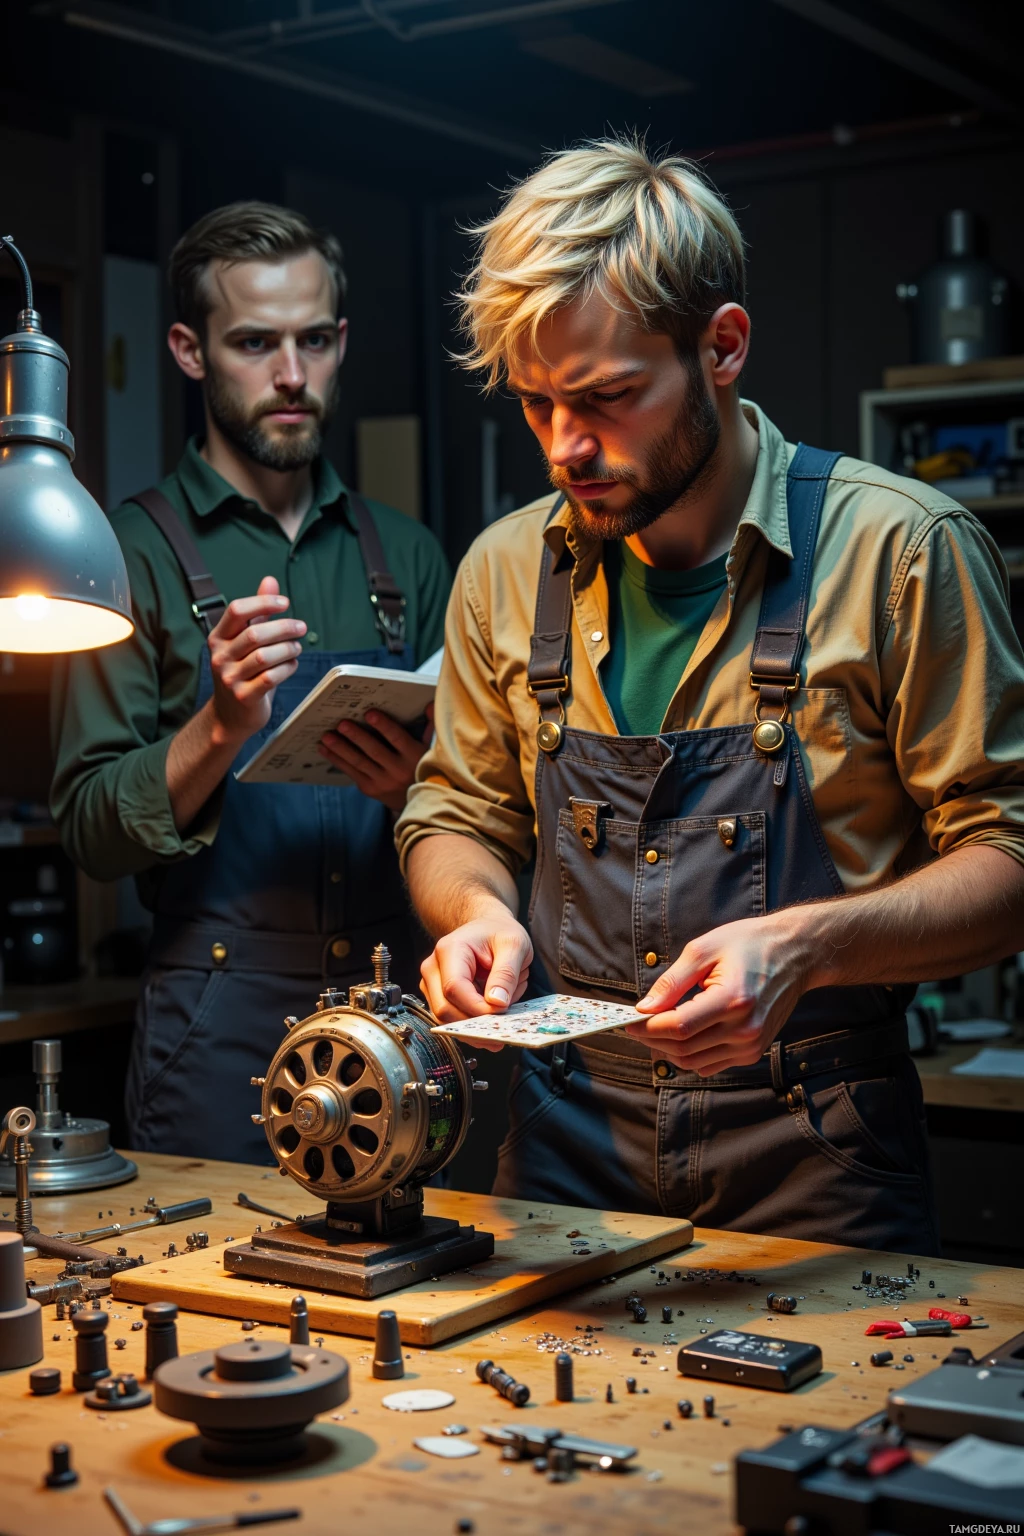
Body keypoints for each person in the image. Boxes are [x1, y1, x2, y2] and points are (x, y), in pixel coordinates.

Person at [395, 137, 1024, 1253]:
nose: (564, 448)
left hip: (820, 1150)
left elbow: (1009, 864)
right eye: (537, 404)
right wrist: (476, 913)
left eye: (606, 397)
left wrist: (802, 950)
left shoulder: (900, 554)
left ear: (721, 346)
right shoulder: (503, 568)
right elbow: (453, 815)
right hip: (559, 1143)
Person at [52, 202, 450, 1161]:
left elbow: (485, 811)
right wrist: (222, 724)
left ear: (341, 341)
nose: (290, 375)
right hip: (212, 1024)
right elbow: (91, 832)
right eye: (254, 343)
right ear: (189, 351)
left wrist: (414, 792)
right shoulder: (126, 552)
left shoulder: (408, 556)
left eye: (314, 341)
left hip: (395, 1023)